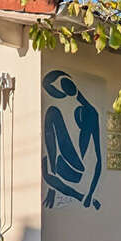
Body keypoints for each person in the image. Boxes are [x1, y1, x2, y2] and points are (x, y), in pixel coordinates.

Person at [41, 70, 102, 209]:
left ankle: (79, 196)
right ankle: (80, 196)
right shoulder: (79, 109)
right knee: (52, 113)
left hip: (72, 171)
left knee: (52, 112)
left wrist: (91, 192)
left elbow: (99, 158)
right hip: (62, 168)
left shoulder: (90, 113)